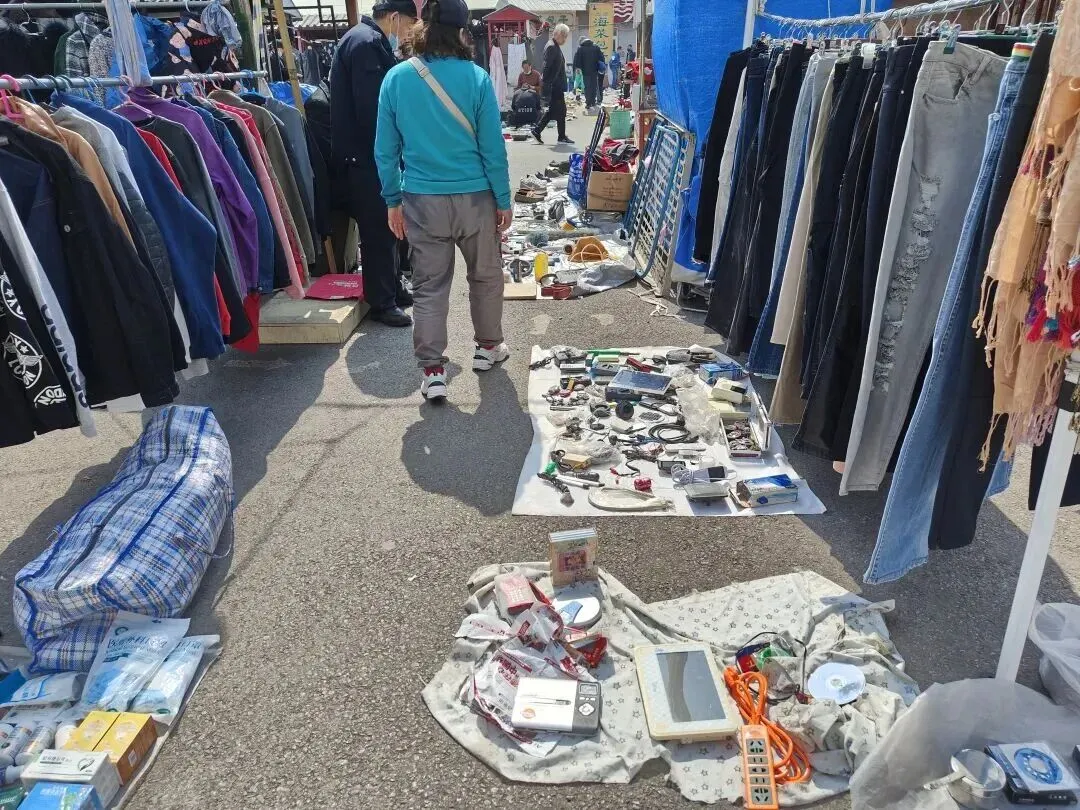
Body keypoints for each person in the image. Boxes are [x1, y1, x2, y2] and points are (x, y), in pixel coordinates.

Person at [376, 0, 512, 401]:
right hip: (476, 198)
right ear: (462, 32)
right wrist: (503, 200)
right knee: (485, 277)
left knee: (429, 286)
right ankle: (488, 348)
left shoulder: (396, 78)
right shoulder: (477, 78)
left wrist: (392, 200)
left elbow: (385, 150)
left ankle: (433, 371)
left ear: (423, 25)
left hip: (422, 199)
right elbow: (493, 148)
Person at [330, 0, 418, 327]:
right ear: (394, 18)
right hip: (366, 155)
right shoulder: (365, 43)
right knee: (379, 228)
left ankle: (392, 287)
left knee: (390, 227)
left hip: (369, 154)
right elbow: (372, 112)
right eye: (409, 25)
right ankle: (381, 302)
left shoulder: (368, 40)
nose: (408, 33)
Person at [531, 23, 572, 145]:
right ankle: (539, 130)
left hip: (556, 85)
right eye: (564, 36)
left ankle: (559, 135)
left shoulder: (554, 46)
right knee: (556, 111)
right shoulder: (551, 47)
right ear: (558, 34)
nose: (565, 39)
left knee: (559, 111)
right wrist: (547, 86)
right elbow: (546, 68)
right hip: (554, 86)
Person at [572, 35, 604, 110]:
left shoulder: (581, 49)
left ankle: (588, 102)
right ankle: (593, 101)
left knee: (587, 87)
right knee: (593, 86)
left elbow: (577, 60)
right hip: (594, 70)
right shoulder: (596, 47)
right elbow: (601, 58)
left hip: (585, 71)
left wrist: (577, 68)